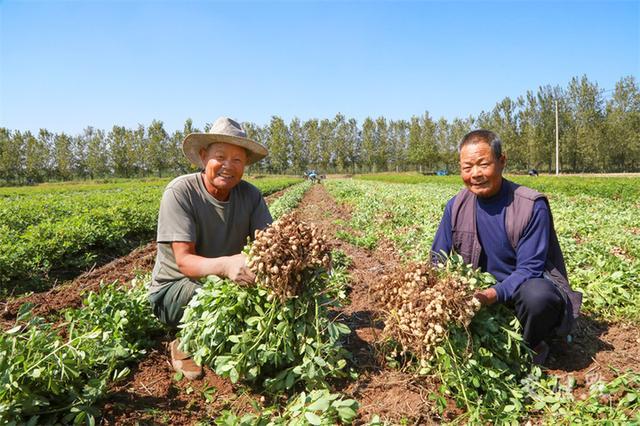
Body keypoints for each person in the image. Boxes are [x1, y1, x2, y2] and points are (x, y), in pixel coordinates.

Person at [431, 129, 582, 364]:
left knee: (538, 296)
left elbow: (529, 269)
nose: (475, 174)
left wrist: (489, 296)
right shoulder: (456, 206)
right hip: (478, 295)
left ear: (502, 162)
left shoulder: (531, 205)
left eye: (483, 164)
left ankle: (533, 345)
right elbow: (437, 258)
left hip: (519, 293)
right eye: (467, 167)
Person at [148, 116, 272, 379]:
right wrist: (227, 265)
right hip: (177, 291)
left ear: (245, 165)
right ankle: (185, 341)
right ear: (204, 157)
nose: (228, 166)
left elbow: (268, 244)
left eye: (237, 160)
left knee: (266, 296)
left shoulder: (251, 196)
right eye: (220, 157)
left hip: (225, 281)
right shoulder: (181, 192)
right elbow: (185, 262)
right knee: (210, 295)